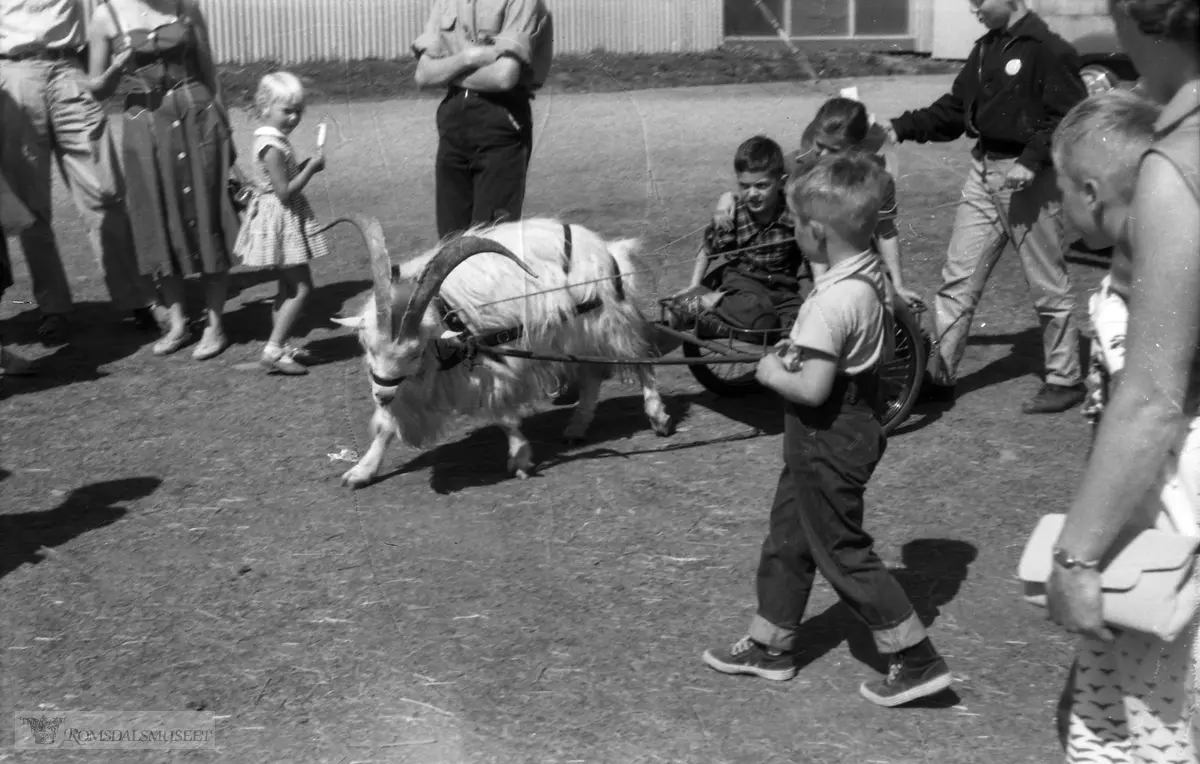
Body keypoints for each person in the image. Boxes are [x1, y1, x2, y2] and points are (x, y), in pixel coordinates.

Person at [701, 153, 952, 708]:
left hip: (825, 436)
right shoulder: (868, 278)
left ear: (816, 232)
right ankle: (771, 643)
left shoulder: (831, 300)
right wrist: (805, 352)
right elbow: (855, 351)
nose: (792, 233)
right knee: (789, 536)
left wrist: (767, 369)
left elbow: (812, 389)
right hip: (839, 431)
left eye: (795, 225)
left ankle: (916, 657)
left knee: (841, 550)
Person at [1046, 0, 1200, 757]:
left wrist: (1076, 553)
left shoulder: (1183, 164)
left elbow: (1151, 403)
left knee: (1149, 718)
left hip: (1174, 512)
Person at [882, 0, 1088, 414]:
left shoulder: (1048, 48)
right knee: (958, 277)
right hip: (983, 170)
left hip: (1028, 177)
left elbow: (1068, 116)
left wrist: (1032, 162)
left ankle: (1066, 378)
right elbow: (955, 110)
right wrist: (899, 126)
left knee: (1047, 281)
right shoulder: (985, 49)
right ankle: (938, 375)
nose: (972, 7)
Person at [87, 0, 241, 360]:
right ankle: (177, 322)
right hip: (145, 126)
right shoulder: (105, 16)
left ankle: (216, 325)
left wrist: (226, 131)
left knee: (208, 216)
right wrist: (116, 66)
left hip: (198, 117)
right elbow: (97, 90)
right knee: (156, 218)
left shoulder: (187, 7)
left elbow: (209, 70)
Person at [0, 0, 160, 344]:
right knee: (31, 205)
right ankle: (53, 307)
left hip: (69, 68)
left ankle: (137, 297)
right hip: (12, 73)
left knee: (104, 189)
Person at [1051, 91, 1160, 435]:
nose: (1059, 203)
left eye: (1061, 189)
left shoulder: (1142, 302)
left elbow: (1141, 422)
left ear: (1090, 194)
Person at [411, 0, 553, 239]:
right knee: (450, 242)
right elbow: (423, 74)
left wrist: (446, 73)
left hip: (500, 118)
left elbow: (503, 76)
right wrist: (469, 57)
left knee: (491, 241)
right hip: (453, 121)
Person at [232, 72, 330, 376]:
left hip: (279, 217)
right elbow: (285, 192)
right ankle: (274, 350)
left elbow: (283, 181)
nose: (293, 117)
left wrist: (303, 165)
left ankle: (280, 346)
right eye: (286, 110)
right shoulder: (271, 146)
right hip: (280, 219)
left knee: (286, 287)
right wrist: (311, 169)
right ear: (265, 107)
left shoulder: (273, 140)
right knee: (301, 288)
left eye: (298, 111)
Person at [670, 135, 809, 341]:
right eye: (745, 186)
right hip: (745, 285)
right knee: (761, 319)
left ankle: (714, 325)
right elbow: (709, 247)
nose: (752, 194)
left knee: (803, 327)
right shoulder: (735, 214)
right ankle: (705, 301)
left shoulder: (792, 213)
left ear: (780, 183)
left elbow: (809, 252)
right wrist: (694, 284)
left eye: (761, 186)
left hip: (782, 290)